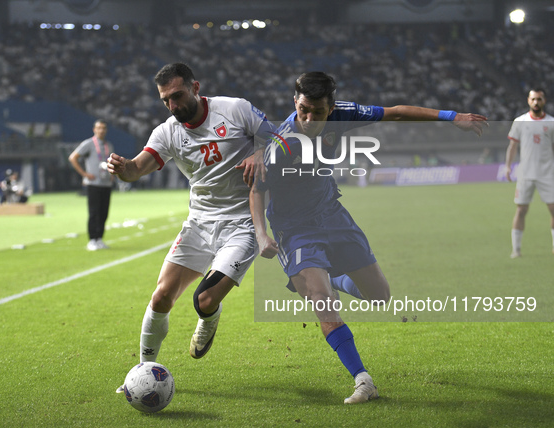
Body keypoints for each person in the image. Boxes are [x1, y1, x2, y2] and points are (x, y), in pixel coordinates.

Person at [251, 71, 487, 404]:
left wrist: (452, 117)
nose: (307, 118)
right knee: (322, 301)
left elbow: (396, 112)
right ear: (295, 102)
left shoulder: (344, 114)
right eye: (303, 109)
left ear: (331, 109)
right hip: (295, 228)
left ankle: (332, 278)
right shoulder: (284, 142)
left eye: (316, 112)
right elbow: (257, 190)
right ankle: (363, 380)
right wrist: (261, 235)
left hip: (332, 214)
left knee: (379, 296)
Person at [107, 63, 272, 393]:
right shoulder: (168, 131)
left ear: (196, 87)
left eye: (178, 96)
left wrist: (261, 154)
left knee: (205, 300)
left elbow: (282, 138)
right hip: (198, 223)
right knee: (161, 296)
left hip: (242, 223)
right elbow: (138, 167)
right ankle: (142, 370)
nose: (173, 106)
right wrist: (124, 169)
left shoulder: (235, 110)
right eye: (165, 100)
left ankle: (208, 317)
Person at [505, 88, 554, 258]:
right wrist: (508, 166)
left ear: (544, 101)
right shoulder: (520, 121)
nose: (536, 102)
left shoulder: (551, 122)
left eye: (539, 99)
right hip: (526, 173)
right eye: (533, 99)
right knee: (521, 210)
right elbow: (513, 146)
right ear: (528, 101)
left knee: (553, 209)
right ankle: (516, 250)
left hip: (548, 172)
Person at [69, 119, 114, 251]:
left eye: (104, 128)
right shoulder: (89, 144)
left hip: (106, 183)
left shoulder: (108, 145)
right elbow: (73, 157)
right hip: (93, 184)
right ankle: (92, 240)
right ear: (94, 129)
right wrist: (84, 173)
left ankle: (99, 238)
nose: (101, 130)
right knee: (94, 212)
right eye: (99, 128)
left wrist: (112, 175)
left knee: (104, 213)